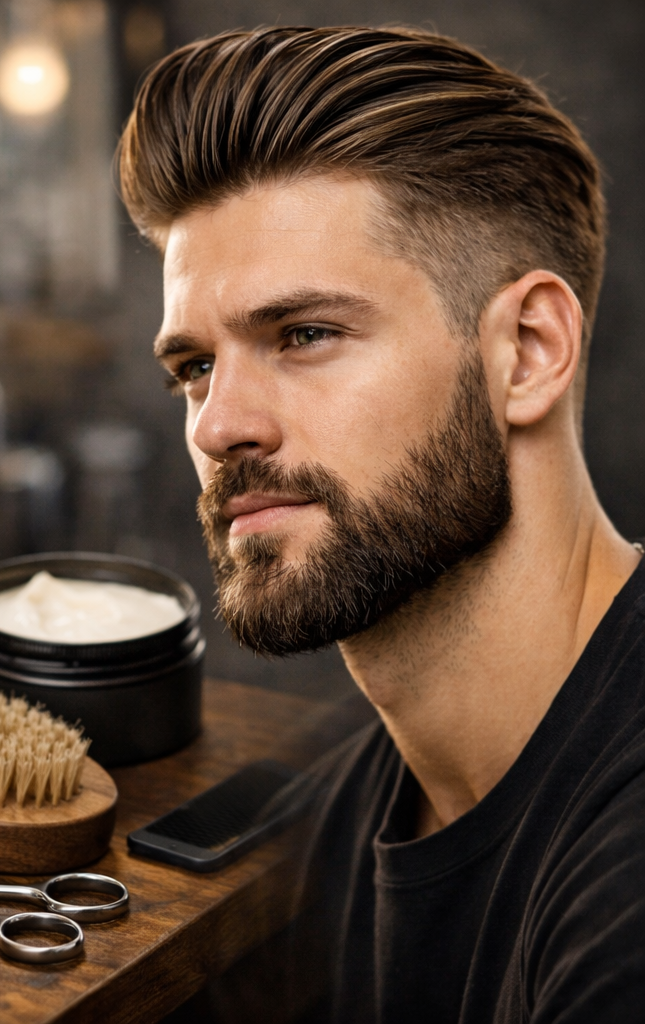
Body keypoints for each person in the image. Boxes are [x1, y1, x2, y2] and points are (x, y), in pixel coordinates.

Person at [118, 25, 645, 1023]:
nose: (220, 425)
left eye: (304, 334)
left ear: (527, 351)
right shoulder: (358, 804)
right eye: (193, 366)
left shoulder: (620, 902)